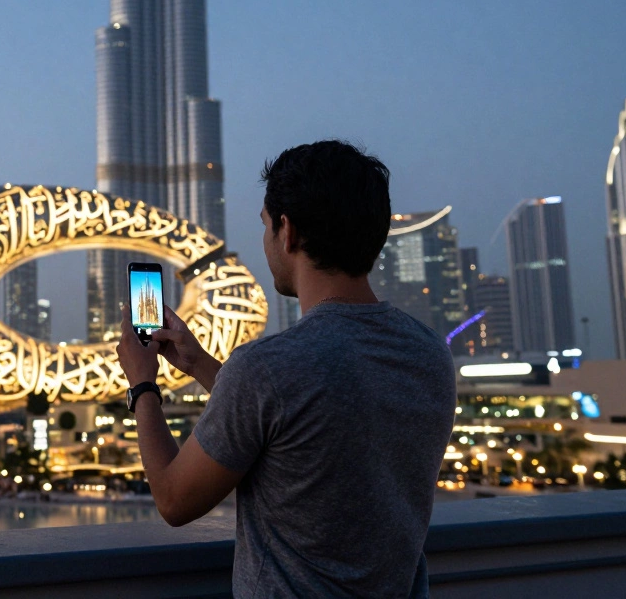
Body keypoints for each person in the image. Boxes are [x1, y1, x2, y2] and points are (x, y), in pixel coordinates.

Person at [114, 140, 456, 598]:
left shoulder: (267, 368)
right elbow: (302, 417)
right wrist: (198, 364)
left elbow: (174, 500)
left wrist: (142, 385)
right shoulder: (429, 353)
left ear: (287, 231)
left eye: (265, 226)